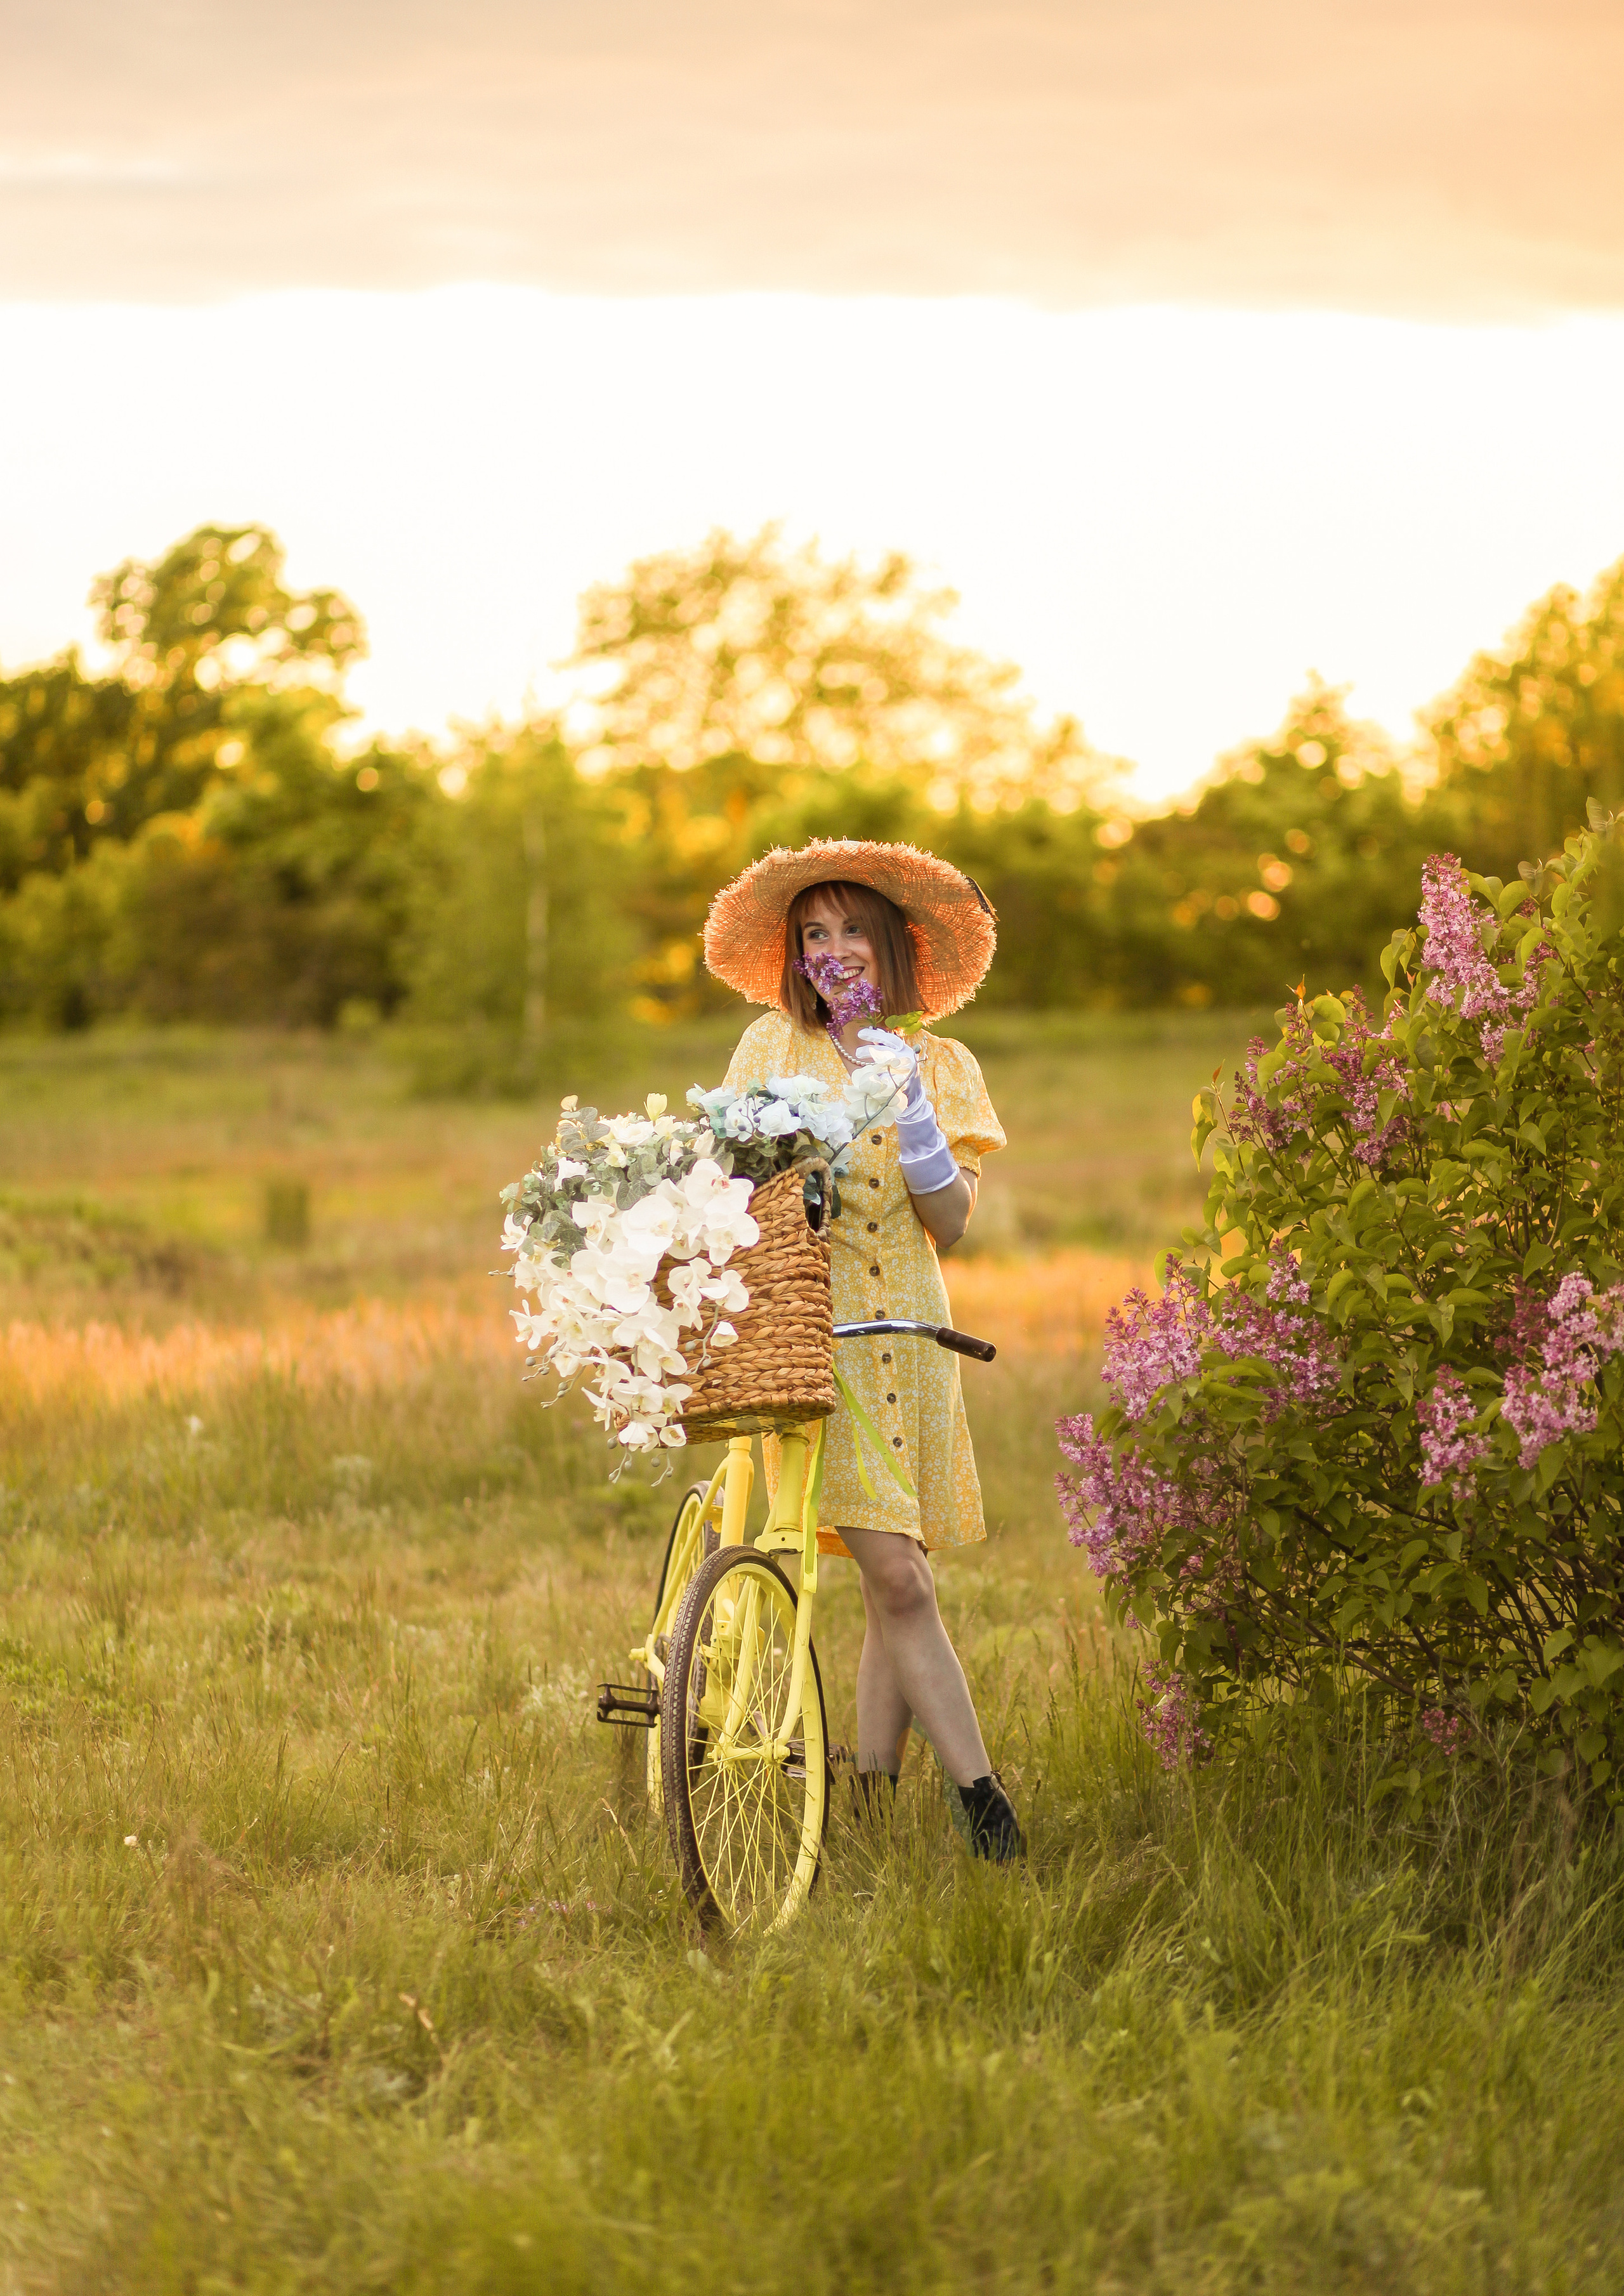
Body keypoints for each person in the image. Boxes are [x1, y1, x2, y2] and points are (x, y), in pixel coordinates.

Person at [702, 837, 1023, 1862]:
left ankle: (870, 1804)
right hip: (810, 1334)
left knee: (898, 1578)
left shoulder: (941, 1062)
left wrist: (915, 1115)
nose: (833, 952)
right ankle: (986, 1807)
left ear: (895, 943)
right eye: (813, 935)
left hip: (911, 1339)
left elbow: (954, 1223)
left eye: (851, 930)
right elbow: (732, 1189)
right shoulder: (770, 1050)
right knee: (902, 1582)